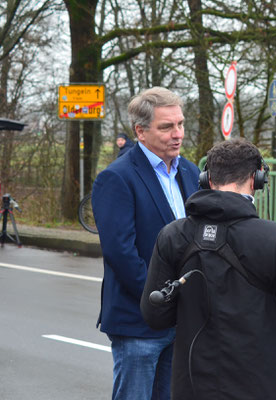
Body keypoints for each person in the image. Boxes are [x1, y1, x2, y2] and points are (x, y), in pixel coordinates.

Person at [140, 138, 276, 400]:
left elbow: (155, 316)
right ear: (256, 179)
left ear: (206, 178)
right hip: (261, 388)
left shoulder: (173, 235)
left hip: (192, 388)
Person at [92, 87, 200, 400]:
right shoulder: (117, 178)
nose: (177, 134)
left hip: (182, 321)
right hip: (138, 321)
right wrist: (162, 299)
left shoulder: (191, 172)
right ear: (140, 131)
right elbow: (120, 253)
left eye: (180, 124)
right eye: (166, 127)